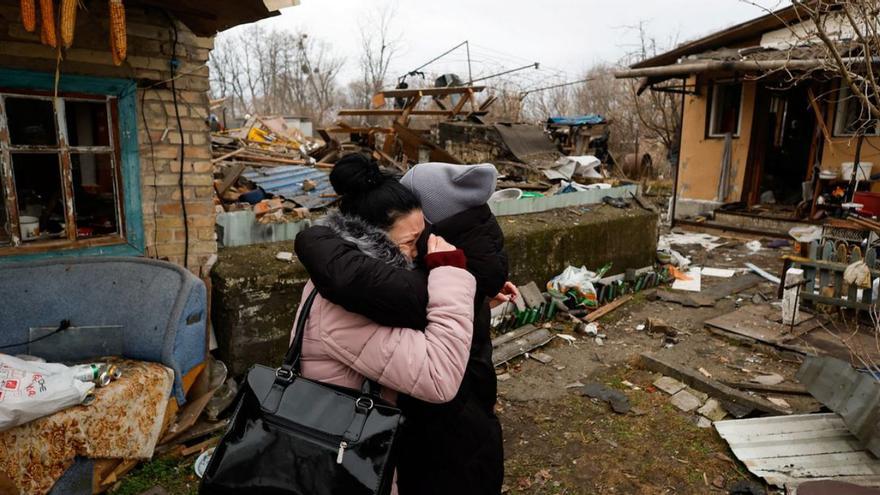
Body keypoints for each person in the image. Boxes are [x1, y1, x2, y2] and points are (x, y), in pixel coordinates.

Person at [296, 159, 510, 495]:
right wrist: (450, 275)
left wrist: (475, 300)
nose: (415, 255)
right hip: (347, 459)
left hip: (363, 445)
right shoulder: (346, 306)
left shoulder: (362, 286)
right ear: (371, 238)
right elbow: (438, 377)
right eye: (408, 243)